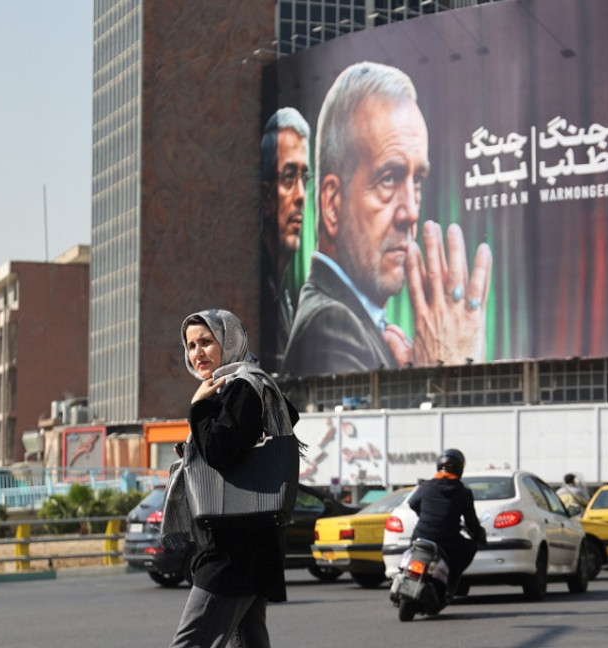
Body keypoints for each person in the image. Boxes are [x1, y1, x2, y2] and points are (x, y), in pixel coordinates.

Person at [281, 61, 493, 377]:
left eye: (417, 179)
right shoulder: (331, 326)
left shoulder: (358, 320)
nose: (411, 213)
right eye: (389, 179)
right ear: (332, 205)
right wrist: (448, 369)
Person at [169, 309, 299, 648]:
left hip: (233, 550)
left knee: (190, 643)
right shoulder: (240, 387)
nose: (197, 353)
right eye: (191, 345)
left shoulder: (243, 387)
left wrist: (198, 407)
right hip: (247, 541)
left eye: (207, 342)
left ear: (230, 341)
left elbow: (219, 451)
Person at [259, 107, 312, 372]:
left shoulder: (285, 299)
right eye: (289, 177)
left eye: (305, 177)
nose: (301, 195)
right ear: (267, 196)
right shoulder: (254, 294)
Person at [407, 448, 487, 595]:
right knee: (469, 548)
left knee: (410, 550)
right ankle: (450, 586)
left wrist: (424, 515)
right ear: (459, 469)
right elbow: (471, 522)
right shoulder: (463, 493)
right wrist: (479, 536)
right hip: (447, 540)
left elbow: (412, 504)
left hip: (420, 534)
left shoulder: (425, 487)